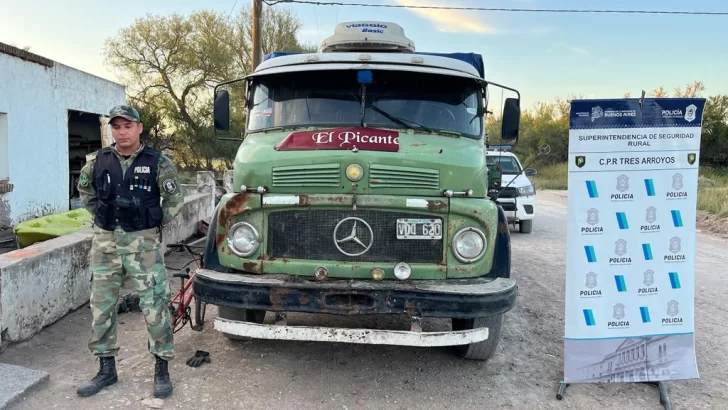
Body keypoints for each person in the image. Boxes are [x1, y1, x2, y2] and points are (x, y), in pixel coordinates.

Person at [75, 104, 184, 398]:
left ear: (139, 128)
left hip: (143, 246)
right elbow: (85, 192)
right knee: (102, 307)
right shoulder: (97, 161)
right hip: (106, 244)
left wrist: (152, 221)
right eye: (116, 127)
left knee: (154, 306)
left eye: (127, 126)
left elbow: (174, 200)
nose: (122, 132)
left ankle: (161, 369)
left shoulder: (158, 162)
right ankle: (106, 369)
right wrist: (102, 214)